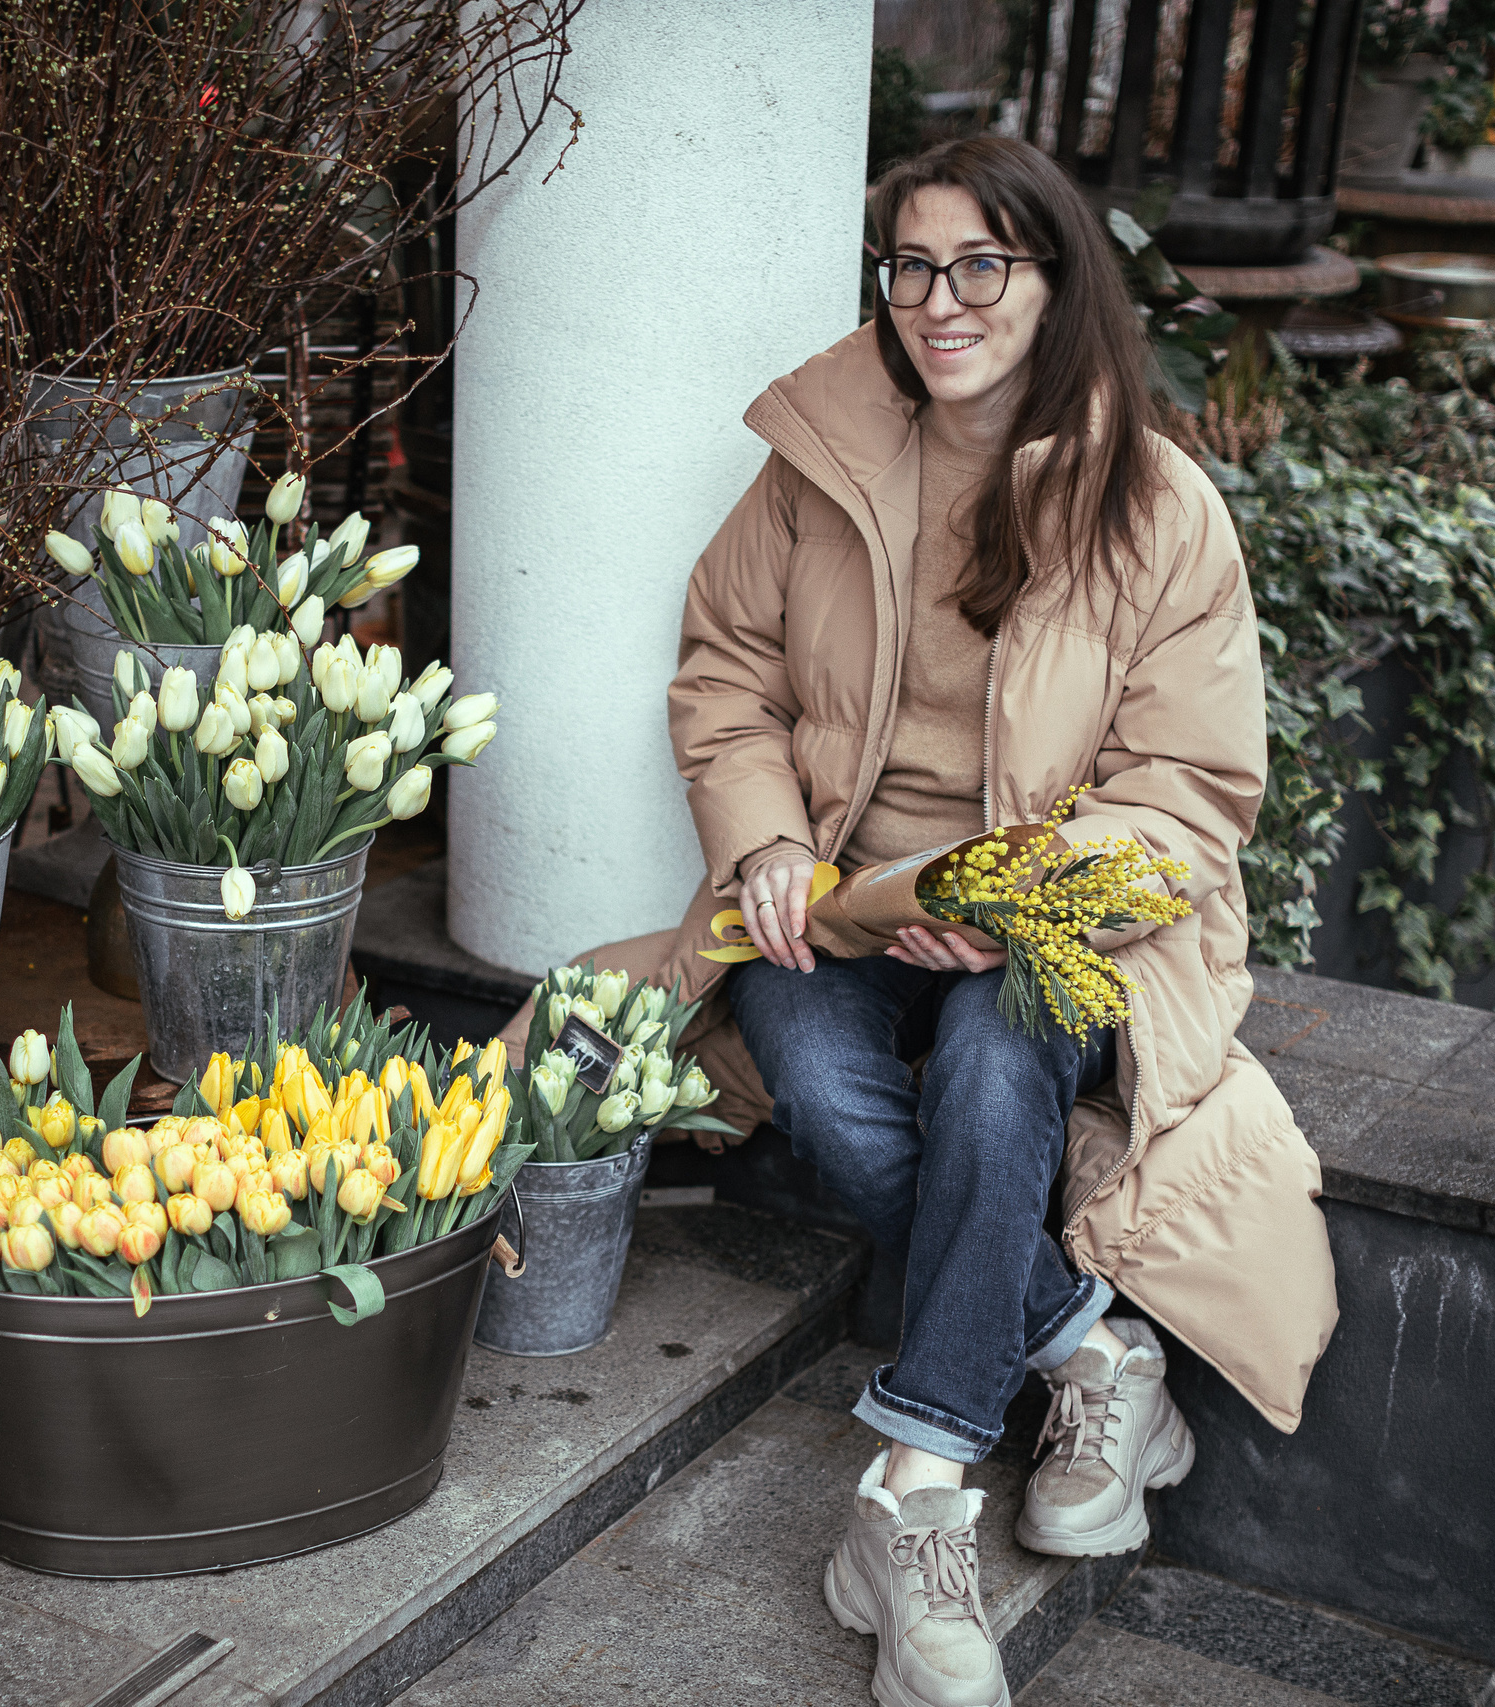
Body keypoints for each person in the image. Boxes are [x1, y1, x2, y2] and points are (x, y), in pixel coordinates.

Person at [527, 137, 1339, 1707]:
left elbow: (1188, 790)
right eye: (912, 266)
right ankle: (1092, 1350)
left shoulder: (1157, 505)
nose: (939, 301)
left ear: (1054, 282)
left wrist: (1018, 899)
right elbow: (727, 675)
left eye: (983, 266)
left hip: (1056, 922)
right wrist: (761, 841)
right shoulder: (820, 460)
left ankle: (911, 1497)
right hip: (831, 902)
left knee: (988, 1067)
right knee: (820, 1084)